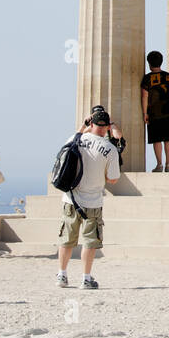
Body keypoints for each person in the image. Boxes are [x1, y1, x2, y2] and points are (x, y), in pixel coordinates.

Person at [56, 106, 121, 289]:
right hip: (92, 201)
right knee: (90, 241)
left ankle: (62, 275)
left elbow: (67, 149)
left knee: (67, 238)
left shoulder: (76, 139)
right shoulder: (110, 149)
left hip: (70, 198)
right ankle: (86, 278)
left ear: (90, 123)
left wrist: (82, 126)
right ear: (108, 127)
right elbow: (113, 178)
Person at [140, 50, 169, 172]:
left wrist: (145, 113)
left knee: (157, 139)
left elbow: (144, 96)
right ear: (161, 62)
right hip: (168, 111)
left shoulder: (148, 78)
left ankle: (159, 165)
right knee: (168, 139)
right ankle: (168, 164)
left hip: (154, 113)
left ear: (149, 63)